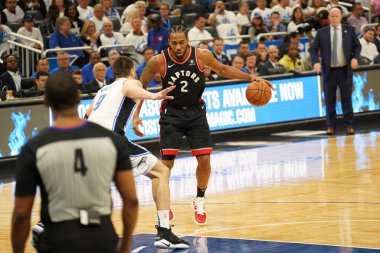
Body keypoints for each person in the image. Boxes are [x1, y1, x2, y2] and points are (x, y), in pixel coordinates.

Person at [133, 25, 271, 225]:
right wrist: (136, 115)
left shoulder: (202, 56)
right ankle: (165, 205)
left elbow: (223, 69)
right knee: (167, 164)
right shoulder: (158, 61)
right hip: (171, 114)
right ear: (168, 43)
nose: (178, 47)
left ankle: (199, 199)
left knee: (204, 160)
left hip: (196, 112)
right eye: (174, 43)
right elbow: (141, 87)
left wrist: (251, 78)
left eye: (181, 42)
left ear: (188, 41)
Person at [11, 73, 138, 253]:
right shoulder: (111, 140)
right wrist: (124, 247)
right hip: (101, 238)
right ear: (78, 98)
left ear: (46, 101)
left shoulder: (33, 148)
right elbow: (131, 200)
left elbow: (21, 214)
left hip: (58, 239)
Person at [85, 56, 190, 249]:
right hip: (110, 139)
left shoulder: (103, 90)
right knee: (161, 172)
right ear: (132, 71)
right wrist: (154, 96)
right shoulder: (129, 82)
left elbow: (87, 115)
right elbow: (131, 88)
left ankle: (48, 222)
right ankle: (164, 233)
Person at [309, 8, 361, 135]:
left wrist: (355, 58)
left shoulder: (349, 30)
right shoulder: (322, 32)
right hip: (329, 71)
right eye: (331, 16)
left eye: (336, 16)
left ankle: (349, 125)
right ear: (328, 18)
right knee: (330, 100)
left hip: (345, 70)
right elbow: (313, 49)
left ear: (341, 17)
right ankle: (330, 126)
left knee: (346, 99)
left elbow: (357, 46)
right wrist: (315, 62)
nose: (334, 18)